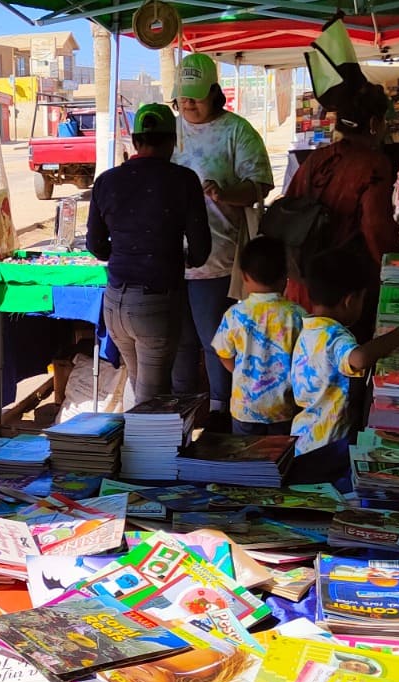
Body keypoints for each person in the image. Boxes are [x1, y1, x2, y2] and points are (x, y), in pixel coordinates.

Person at [171, 52, 274, 430]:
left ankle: (220, 412)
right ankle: (181, 412)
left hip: (218, 256)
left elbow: (260, 184)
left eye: (196, 96)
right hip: (171, 259)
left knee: (216, 340)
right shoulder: (172, 129)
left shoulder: (237, 131)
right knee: (180, 340)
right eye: (182, 97)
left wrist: (225, 194)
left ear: (216, 93)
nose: (188, 104)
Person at [87, 103, 211, 405]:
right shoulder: (184, 180)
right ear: (172, 142)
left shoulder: (106, 181)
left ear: (135, 142)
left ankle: (139, 446)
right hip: (156, 302)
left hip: (115, 302)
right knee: (151, 399)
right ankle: (145, 450)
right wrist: (179, 258)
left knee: (139, 383)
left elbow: (96, 245)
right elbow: (200, 250)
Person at [288, 245, 399, 486]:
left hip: (304, 435)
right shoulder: (335, 335)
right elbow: (359, 358)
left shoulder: (309, 329)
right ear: (350, 300)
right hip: (327, 444)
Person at [282, 80, 399, 326]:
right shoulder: (373, 165)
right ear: (373, 124)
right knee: (341, 358)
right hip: (341, 293)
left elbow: (287, 206)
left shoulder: (317, 158)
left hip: (302, 283)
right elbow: (376, 229)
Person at [211, 235, 301, 435]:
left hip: (245, 406)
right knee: (280, 461)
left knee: (245, 459)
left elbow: (223, 353)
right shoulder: (297, 315)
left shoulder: (235, 315)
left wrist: (241, 371)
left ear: (244, 277)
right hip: (284, 406)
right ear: (285, 276)